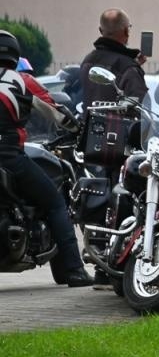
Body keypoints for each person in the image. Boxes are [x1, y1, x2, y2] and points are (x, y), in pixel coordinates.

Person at [0, 30, 93, 286]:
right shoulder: (21, 81)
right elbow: (57, 113)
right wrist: (77, 128)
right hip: (9, 157)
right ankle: (74, 270)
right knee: (54, 203)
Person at [79, 8, 148, 110]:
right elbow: (141, 108)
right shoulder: (128, 68)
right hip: (117, 125)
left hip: (89, 124)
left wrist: (133, 64)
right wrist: (132, 66)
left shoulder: (87, 61)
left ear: (101, 31)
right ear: (126, 31)